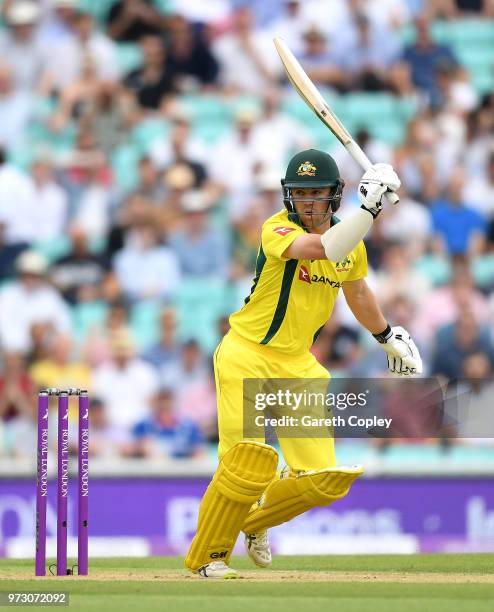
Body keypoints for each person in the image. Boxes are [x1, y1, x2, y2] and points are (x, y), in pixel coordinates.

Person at [185, 149, 422, 578]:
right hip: (246, 354)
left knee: (320, 479)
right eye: (300, 193)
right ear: (288, 196)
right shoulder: (276, 228)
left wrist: (387, 335)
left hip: (298, 365)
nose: (308, 202)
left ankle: (256, 524)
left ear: (334, 197)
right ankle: (209, 557)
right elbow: (320, 249)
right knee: (243, 465)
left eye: (317, 193)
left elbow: (358, 292)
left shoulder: (351, 243)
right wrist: (368, 209)